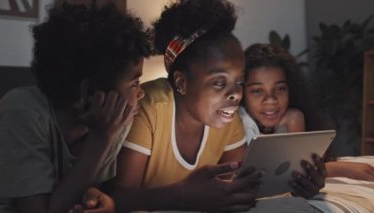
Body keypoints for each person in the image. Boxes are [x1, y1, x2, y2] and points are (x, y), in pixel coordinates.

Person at [105, 0, 325, 212]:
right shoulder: (150, 107)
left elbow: (241, 183)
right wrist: (184, 196)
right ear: (181, 82)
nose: (236, 94)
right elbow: (120, 197)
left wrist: (295, 183)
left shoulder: (227, 118)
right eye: (219, 83)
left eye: (239, 81)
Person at [0, 1, 151, 213]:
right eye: (134, 83)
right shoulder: (22, 113)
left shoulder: (112, 122)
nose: (140, 93)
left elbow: (85, 191)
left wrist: (101, 202)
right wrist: (100, 139)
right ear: (87, 92)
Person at [241, 43, 374, 182]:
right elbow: (282, 175)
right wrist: (343, 168)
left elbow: (296, 165)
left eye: (279, 89)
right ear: (242, 93)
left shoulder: (290, 117)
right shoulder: (240, 125)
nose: (271, 100)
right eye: (257, 91)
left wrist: (293, 120)